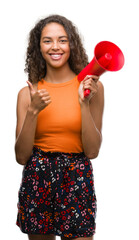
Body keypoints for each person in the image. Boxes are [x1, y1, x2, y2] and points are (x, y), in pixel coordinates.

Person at [15, 14, 104, 240]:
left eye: (62, 40)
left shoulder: (92, 88)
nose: (56, 46)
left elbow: (92, 151)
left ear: (71, 44)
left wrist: (84, 103)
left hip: (77, 176)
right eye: (48, 40)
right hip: (38, 177)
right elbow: (21, 157)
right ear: (39, 47)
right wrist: (33, 111)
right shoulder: (27, 94)